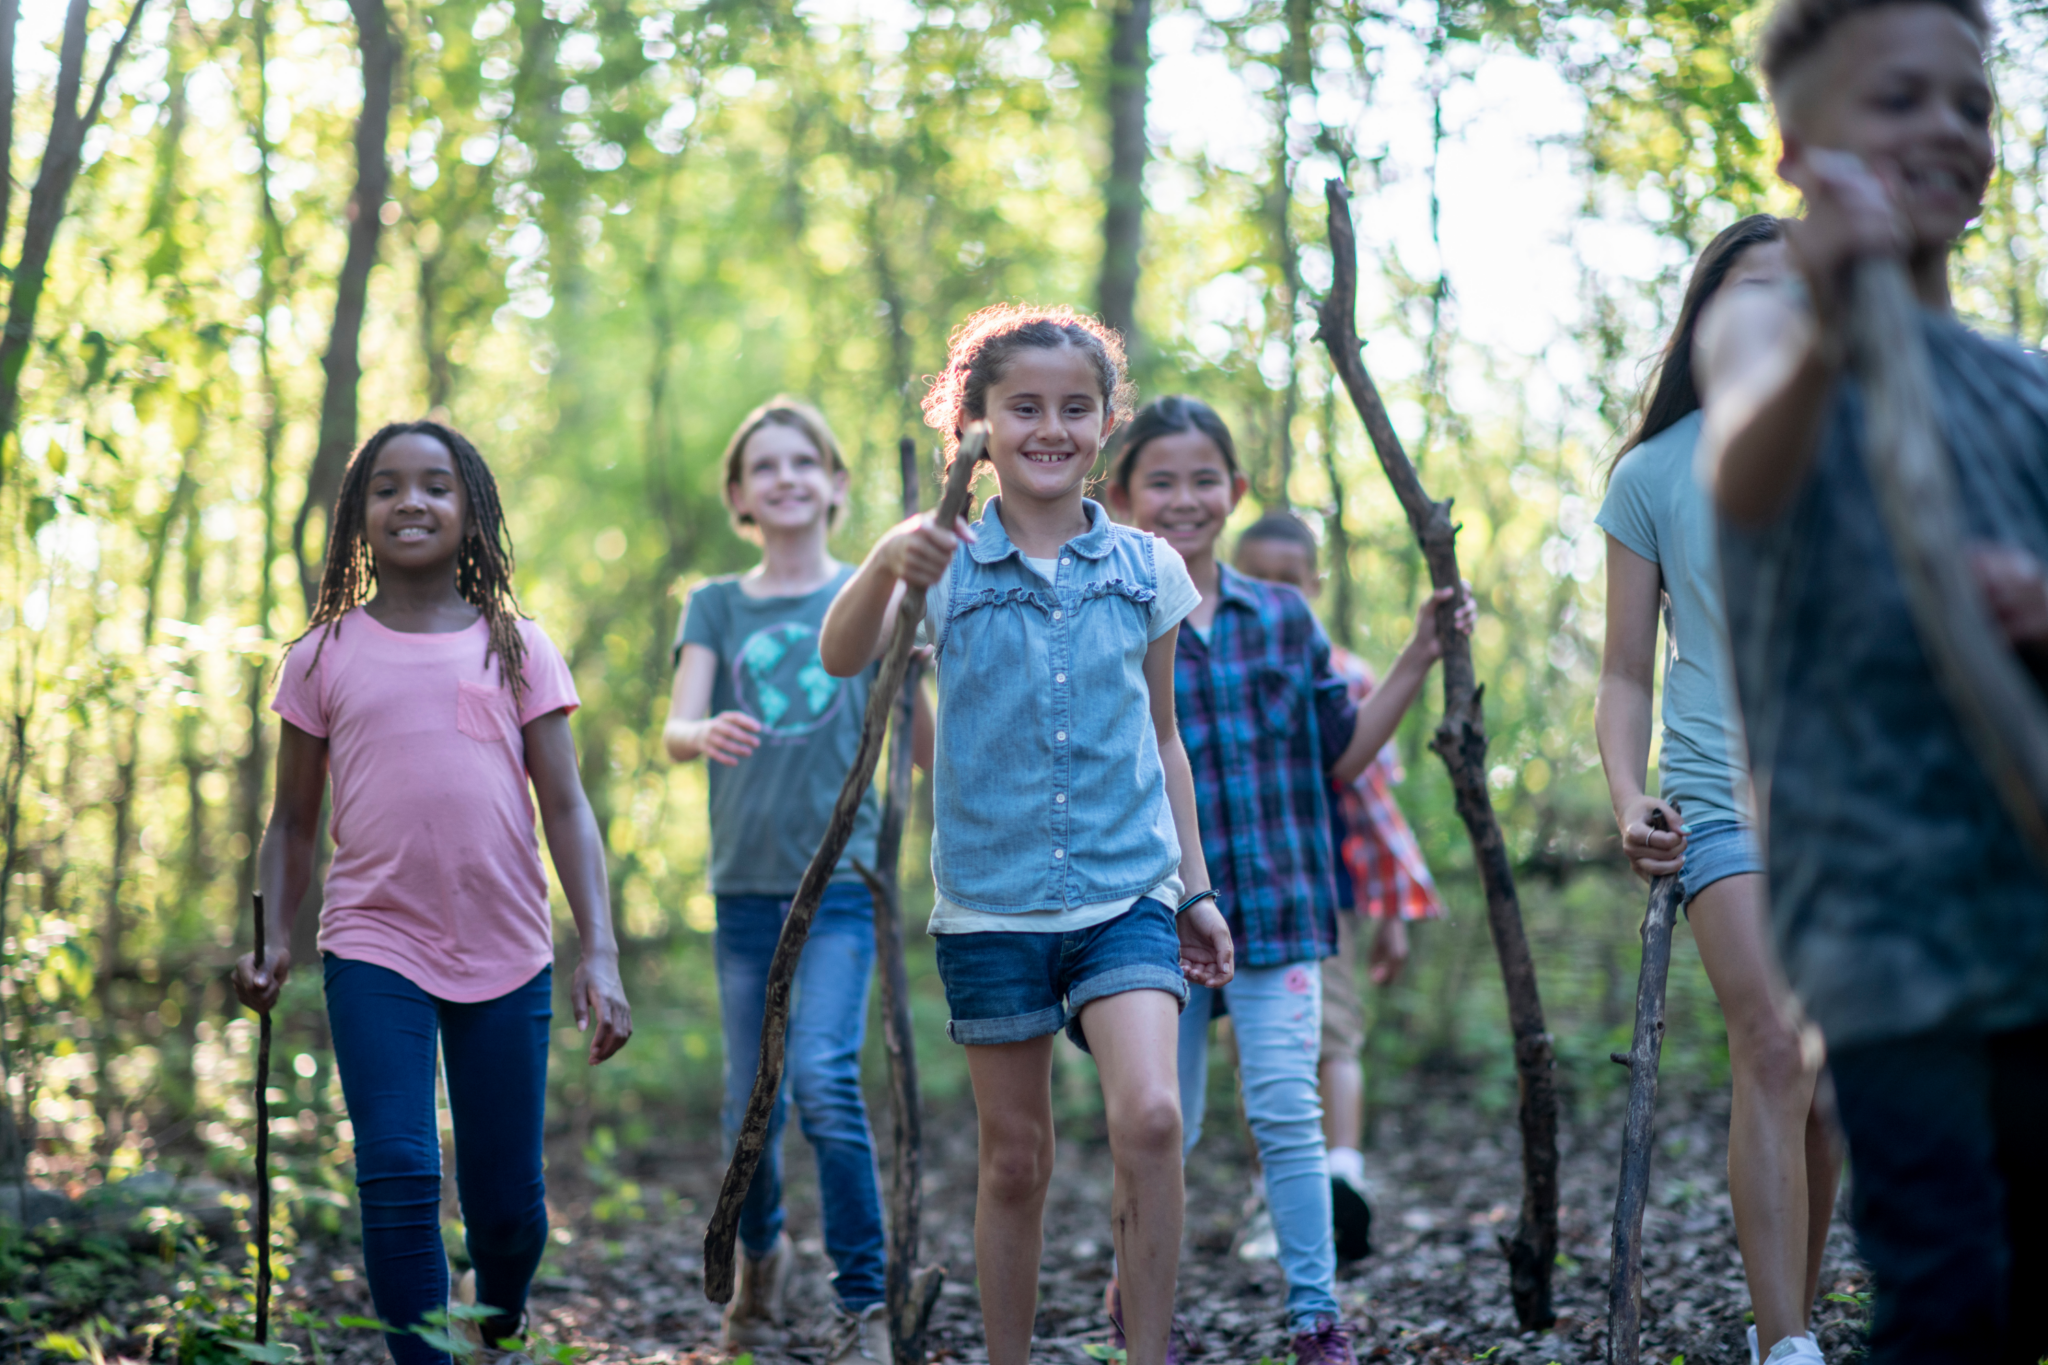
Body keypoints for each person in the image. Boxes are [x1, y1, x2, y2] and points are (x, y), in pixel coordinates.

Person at [1699, 0, 2048, 1357]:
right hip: (1887, 937)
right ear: (1796, 150)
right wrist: (1837, 313)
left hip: (2033, 907)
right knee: (1947, 1286)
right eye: (1898, 100)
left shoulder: (2019, 391)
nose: (1945, 130)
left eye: (1970, 106)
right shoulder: (1766, 328)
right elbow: (1744, 463)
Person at [817, 304, 1235, 1365]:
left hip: (1125, 893)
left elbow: (1164, 739)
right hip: (991, 904)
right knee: (1015, 1161)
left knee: (1148, 1118)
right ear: (974, 424)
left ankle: (1146, 1353)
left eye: (1075, 409)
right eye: (1022, 408)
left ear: (1104, 423)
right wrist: (882, 561)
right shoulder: (942, 563)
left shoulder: (1146, 569)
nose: (1050, 429)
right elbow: (839, 654)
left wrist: (1193, 889)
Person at [232, 421, 632, 1365]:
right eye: (387, 487)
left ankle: (498, 1312)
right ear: (357, 516)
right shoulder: (322, 655)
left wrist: (600, 953)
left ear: (472, 510)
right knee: (400, 1170)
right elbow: (290, 822)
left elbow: (567, 809)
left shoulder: (520, 646)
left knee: (507, 1203)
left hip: (506, 945)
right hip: (374, 943)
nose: (411, 501)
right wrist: (273, 934)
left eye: (435, 485)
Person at [1107, 396, 1473, 1365]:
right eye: (1159, 482)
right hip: (1150, 919)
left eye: (1201, 480)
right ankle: (1137, 1303)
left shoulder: (1281, 615)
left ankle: (1317, 1317)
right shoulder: (1106, 612)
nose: (1182, 499)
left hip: (1276, 906)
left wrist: (1416, 654)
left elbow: (1339, 755)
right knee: (1158, 1126)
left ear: (1232, 490)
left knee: (1287, 1114)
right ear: (1120, 495)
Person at [1595, 216, 1839, 1365]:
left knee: (1833, 1088)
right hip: (1716, 794)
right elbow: (1621, 671)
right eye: (1750, 290)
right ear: (1703, 316)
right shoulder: (1650, 473)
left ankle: (1785, 1312)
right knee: (1774, 1048)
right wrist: (1621, 793)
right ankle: (1785, 1345)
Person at [663, 399, 921, 1363]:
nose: (785, 478)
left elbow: (924, 747)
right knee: (749, 1106)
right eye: (763, 466)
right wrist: (703, 733)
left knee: (823, 1078)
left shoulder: (876, 591)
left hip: (844, 887)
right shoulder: (716, 606)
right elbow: (676, 725)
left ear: (838, 484)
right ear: (738, 494)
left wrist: (915, 673)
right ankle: (761, 1260)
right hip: (745, 892)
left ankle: (862, 1303)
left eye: (804, 462)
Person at [1231, 511, 1445, 1264]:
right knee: (1258, 1055)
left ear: (1315, 585)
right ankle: (1272, 1199)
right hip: (1231, 899)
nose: (1274, 594)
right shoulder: (1211, 661)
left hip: (1325, 899)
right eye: (1256, 579)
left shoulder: (1343, 671)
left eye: (1289, 580)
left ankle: (1343, 1175)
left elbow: (1374, 807)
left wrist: (1395, 915)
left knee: (1336, 1033)